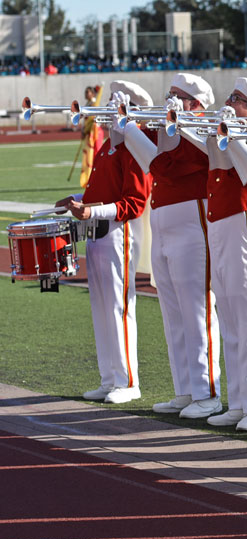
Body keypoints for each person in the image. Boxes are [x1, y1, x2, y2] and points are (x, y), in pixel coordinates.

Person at [120, 73, 223, 419]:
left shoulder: (201, 130)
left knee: (197, 310)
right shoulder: (170, 127)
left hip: (193, 219)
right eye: (169, 94)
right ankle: (186, 389)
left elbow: (162, 167)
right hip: (164, 221)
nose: (168, 100)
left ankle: (208, 391)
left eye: (176, 96)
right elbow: (135, 148)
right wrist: (128, 119)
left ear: (195, 103)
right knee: (172, 311)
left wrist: (132, 129)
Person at [178, 77, 247, 432]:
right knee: (229, 315)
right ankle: (239, 401)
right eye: (231, 96)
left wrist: (232, 132)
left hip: (243, 224)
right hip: (220, 224)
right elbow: (212, 155)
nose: (230, 102)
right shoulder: (228, 131)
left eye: (238, 99)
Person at [55, 80, 154, 405]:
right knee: (100, 308)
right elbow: (100, 193)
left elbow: (134, 203)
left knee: (119, 307)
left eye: (116, 103)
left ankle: (127, 380)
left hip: (118, 233)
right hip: (96, 233)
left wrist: (91, 209)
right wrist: (76, 199)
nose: (108, 107)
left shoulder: (132, 148)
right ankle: (109, 377)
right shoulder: (108, 146)